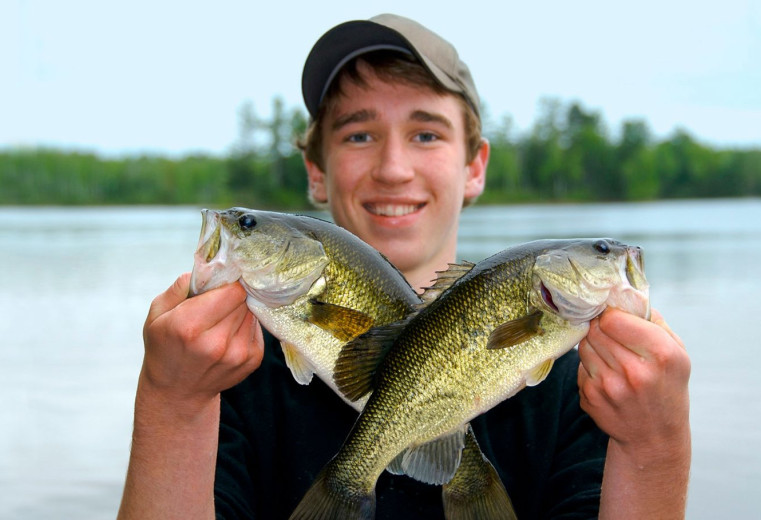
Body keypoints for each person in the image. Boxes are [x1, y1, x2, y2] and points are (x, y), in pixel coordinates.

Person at [117, 14, 691, 519]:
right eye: (359, 133)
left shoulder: (585, 386)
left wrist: (656, 445)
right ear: (316, 171)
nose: (394, 168)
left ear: (475, 166)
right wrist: (173, 404)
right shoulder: (227, 373)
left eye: (426, 133)